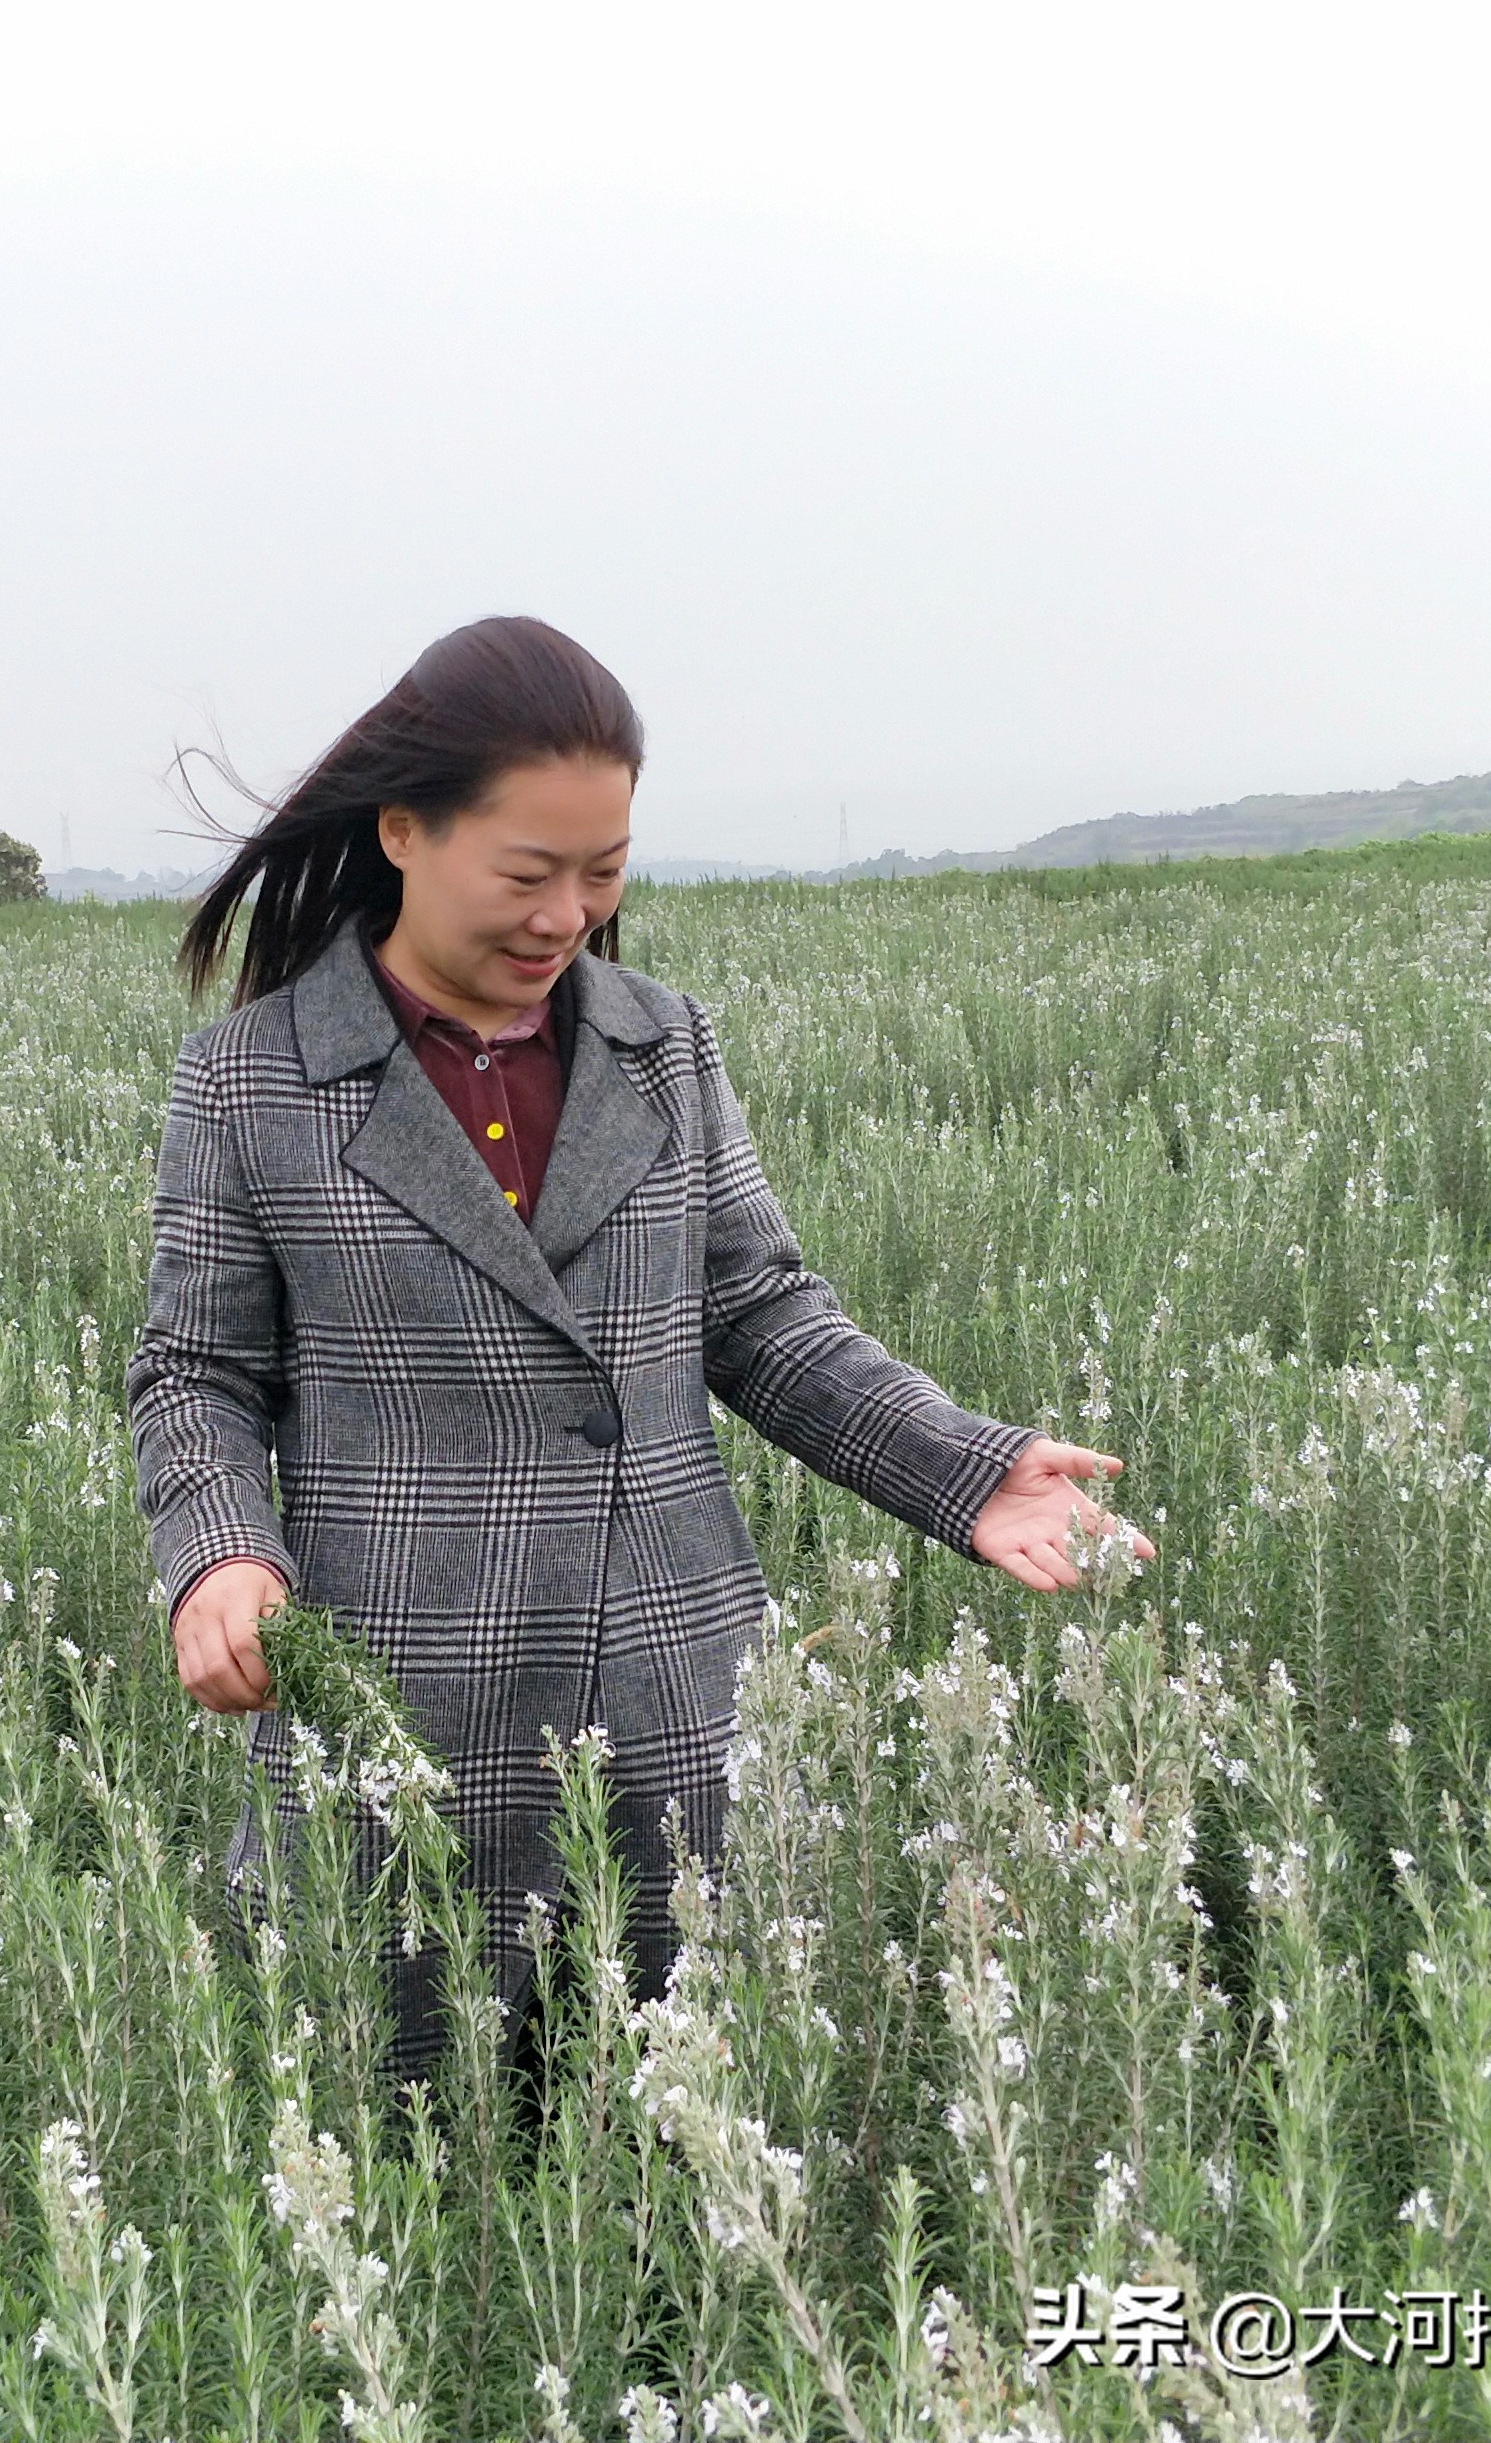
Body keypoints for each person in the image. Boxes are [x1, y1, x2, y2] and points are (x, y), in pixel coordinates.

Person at [125, 614, 1149, 2081]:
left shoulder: (660, 1045)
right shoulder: (253, 1080)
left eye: (602, 873)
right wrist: (220, 1554)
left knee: (692, 2171)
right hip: (399, 1724)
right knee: (398, 2168)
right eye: (529, 872)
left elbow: (759, 1315)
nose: (566, 916)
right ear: (403, 832)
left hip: (671, 1712)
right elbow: (197, 1372)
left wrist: (961, 1468)